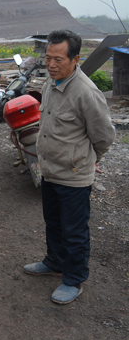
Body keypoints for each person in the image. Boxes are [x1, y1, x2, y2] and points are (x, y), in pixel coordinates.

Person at [23, 29, 116, 304]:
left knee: (74, 231)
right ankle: (54, 262)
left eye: (58, 59)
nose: (51, 64)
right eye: (48, 58)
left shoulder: (86, 93)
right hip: (50, 170)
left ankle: (74, 278)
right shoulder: (50, 83)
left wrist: (92, 159)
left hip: (74, 176)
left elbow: (104, 136)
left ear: (75, 59)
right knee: (53, 222)